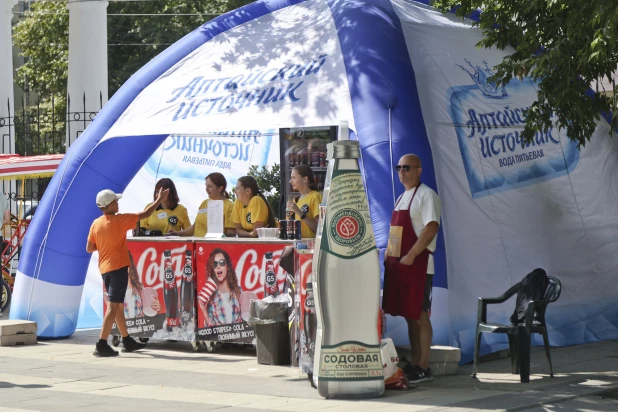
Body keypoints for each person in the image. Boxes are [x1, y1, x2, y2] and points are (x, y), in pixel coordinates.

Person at [86, 187, 169, 357]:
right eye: (115, 202)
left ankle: (127, 340)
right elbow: (146, 214)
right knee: (113, 306)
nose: (118, 203)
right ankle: (101, 344)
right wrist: (159, 199)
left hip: (105, 269)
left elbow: (89, 248)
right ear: (109, 205)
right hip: (118, 268)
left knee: (117, 306)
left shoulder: (96, 223)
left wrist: (105, 244)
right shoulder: (120, 220)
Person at [382, 154, 441, 384]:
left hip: (418, 265)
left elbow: (431, 227)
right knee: (409, 315)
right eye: (399, 167)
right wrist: (389, 253)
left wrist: (411, 255)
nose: (402, 171)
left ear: (419, 170)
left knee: (420, 315)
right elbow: (395, 231)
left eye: (407, 167)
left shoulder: (427, 195)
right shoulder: (401, 197)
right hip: (400, 265)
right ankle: (415, 361)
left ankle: (424, 366)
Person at [170, 173, 235, 237]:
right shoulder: (205, 203)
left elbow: (231, 234)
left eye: (210, 186)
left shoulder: (229, 206)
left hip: (214, 245)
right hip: (198, 245)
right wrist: (178, 234)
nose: (206, 189)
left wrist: (214, 236)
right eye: (206, 186)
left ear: (220, 188)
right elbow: (194, 228)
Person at [197, 248, 243, 326]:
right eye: (215, 264)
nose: (218, 266)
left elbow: (245, 322)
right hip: (219, 338)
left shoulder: (238, 291)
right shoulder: (211, 297)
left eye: (222, 263)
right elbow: (211, 331)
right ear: (213, 269)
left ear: (227, 266)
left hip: (237, 337)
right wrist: (204, 310)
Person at [286, 165, 322, 238]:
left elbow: (319, 228)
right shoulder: (295, 201)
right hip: (297, 243)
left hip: (311, 245)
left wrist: (299, 212)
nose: (290, 181)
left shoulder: (315, 196)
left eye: (294, 178)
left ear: (305, 179)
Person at [123, 251, 161, 319]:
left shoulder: (139, 288)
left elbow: (149, 315)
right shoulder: (111, 292)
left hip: (139, 328)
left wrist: (156, 308)